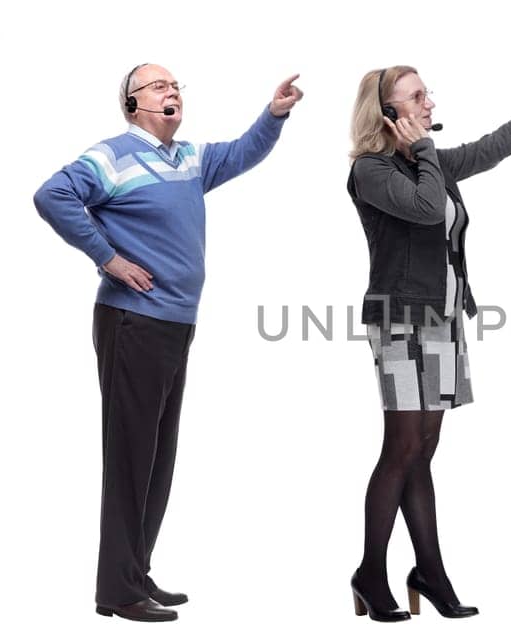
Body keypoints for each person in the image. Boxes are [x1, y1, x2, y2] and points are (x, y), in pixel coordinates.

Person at [33, 63, 301, 622]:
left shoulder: (189, 159)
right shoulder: (112, 155)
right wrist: (108, 258)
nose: (172, 90)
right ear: (132, 104)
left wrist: (273, 114)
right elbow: (52, 195)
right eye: (158, 85)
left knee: (157, 456)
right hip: (133, 321)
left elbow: (242, 152)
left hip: (176, 322)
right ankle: (117, 591)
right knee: (131, 457)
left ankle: (137, 572)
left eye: (176, 84)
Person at [344, 58, 511, 622]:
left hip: (442, 319)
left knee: (423, 450)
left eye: (426, 95)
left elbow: (495, 146)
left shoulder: (428, 162)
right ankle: (370, 572)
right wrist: (429, 156)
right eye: (416, 97)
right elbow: (421, 207)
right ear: (387, 113)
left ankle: (428, 572)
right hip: (397, 319)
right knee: (401, 447)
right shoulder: (372, 169)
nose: (429, 103)